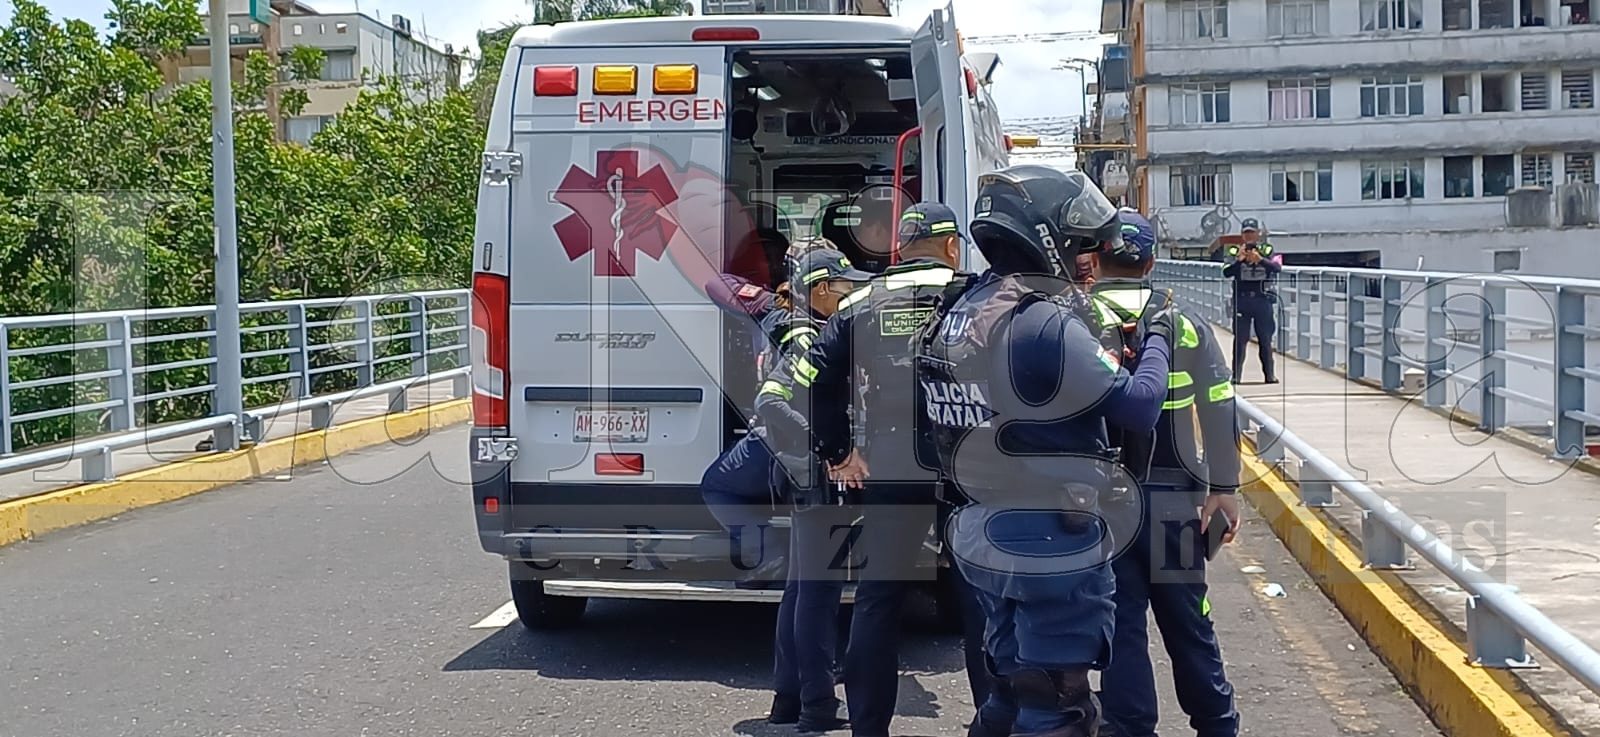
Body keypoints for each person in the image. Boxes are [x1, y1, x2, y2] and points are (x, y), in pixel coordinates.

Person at [915, 166, 1177, 737]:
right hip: (1049, 535)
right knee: (1058, 704)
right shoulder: (1044, 321)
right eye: (1081, 245)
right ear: (1046, 236)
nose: (1088, 259)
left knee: (1009, 691)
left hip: (980, 524)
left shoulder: (962, 307)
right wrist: (1158, 332)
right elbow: (1139, 406)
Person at [756, 201, 974, 737]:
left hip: (890, 462)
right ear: (951, 247)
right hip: (966, 464)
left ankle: (868, 727)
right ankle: (996, 719)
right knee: (978, 601)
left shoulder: (864, 302)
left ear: (901, 247)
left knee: (878, 600)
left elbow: (812, 383)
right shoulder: (972, 295)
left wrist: (836, 452)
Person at [1088, 209, 1243, 737]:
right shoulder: (1184, 323)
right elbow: (1221, 404)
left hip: (1105, 505)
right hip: (1176, 501)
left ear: (1097, 258)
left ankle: (1129, 727)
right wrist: (1224, 488)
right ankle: (1217, 725)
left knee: (1122, 624)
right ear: (1151, 261)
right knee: (1189, 621)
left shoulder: (1076, 318)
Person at [753, 244, 875, 730]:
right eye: (843, 286)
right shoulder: (808, 339)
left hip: (804, 478)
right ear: (820, 290)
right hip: (816, 481)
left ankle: (789, 699)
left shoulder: (805, 330)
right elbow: (771, 401)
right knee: (818, 596)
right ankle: (817, 705)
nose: (850, 293)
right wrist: (826, 455)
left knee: (801, 591)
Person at [1222, 218, 1280, 384]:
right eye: (1246, 233)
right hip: (1242, 300)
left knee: (1265, 339)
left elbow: (1277, 268)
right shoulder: (1234, 251)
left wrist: (1260, 259)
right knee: (1240, 340)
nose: (1249, 236)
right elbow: (1226, 272)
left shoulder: (1267, 249)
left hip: (1262, 300)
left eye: (1252, 232)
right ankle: (1236, 376)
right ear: (1242, 235)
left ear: (1258, 233)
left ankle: (1269, 375)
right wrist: (1239, 261)